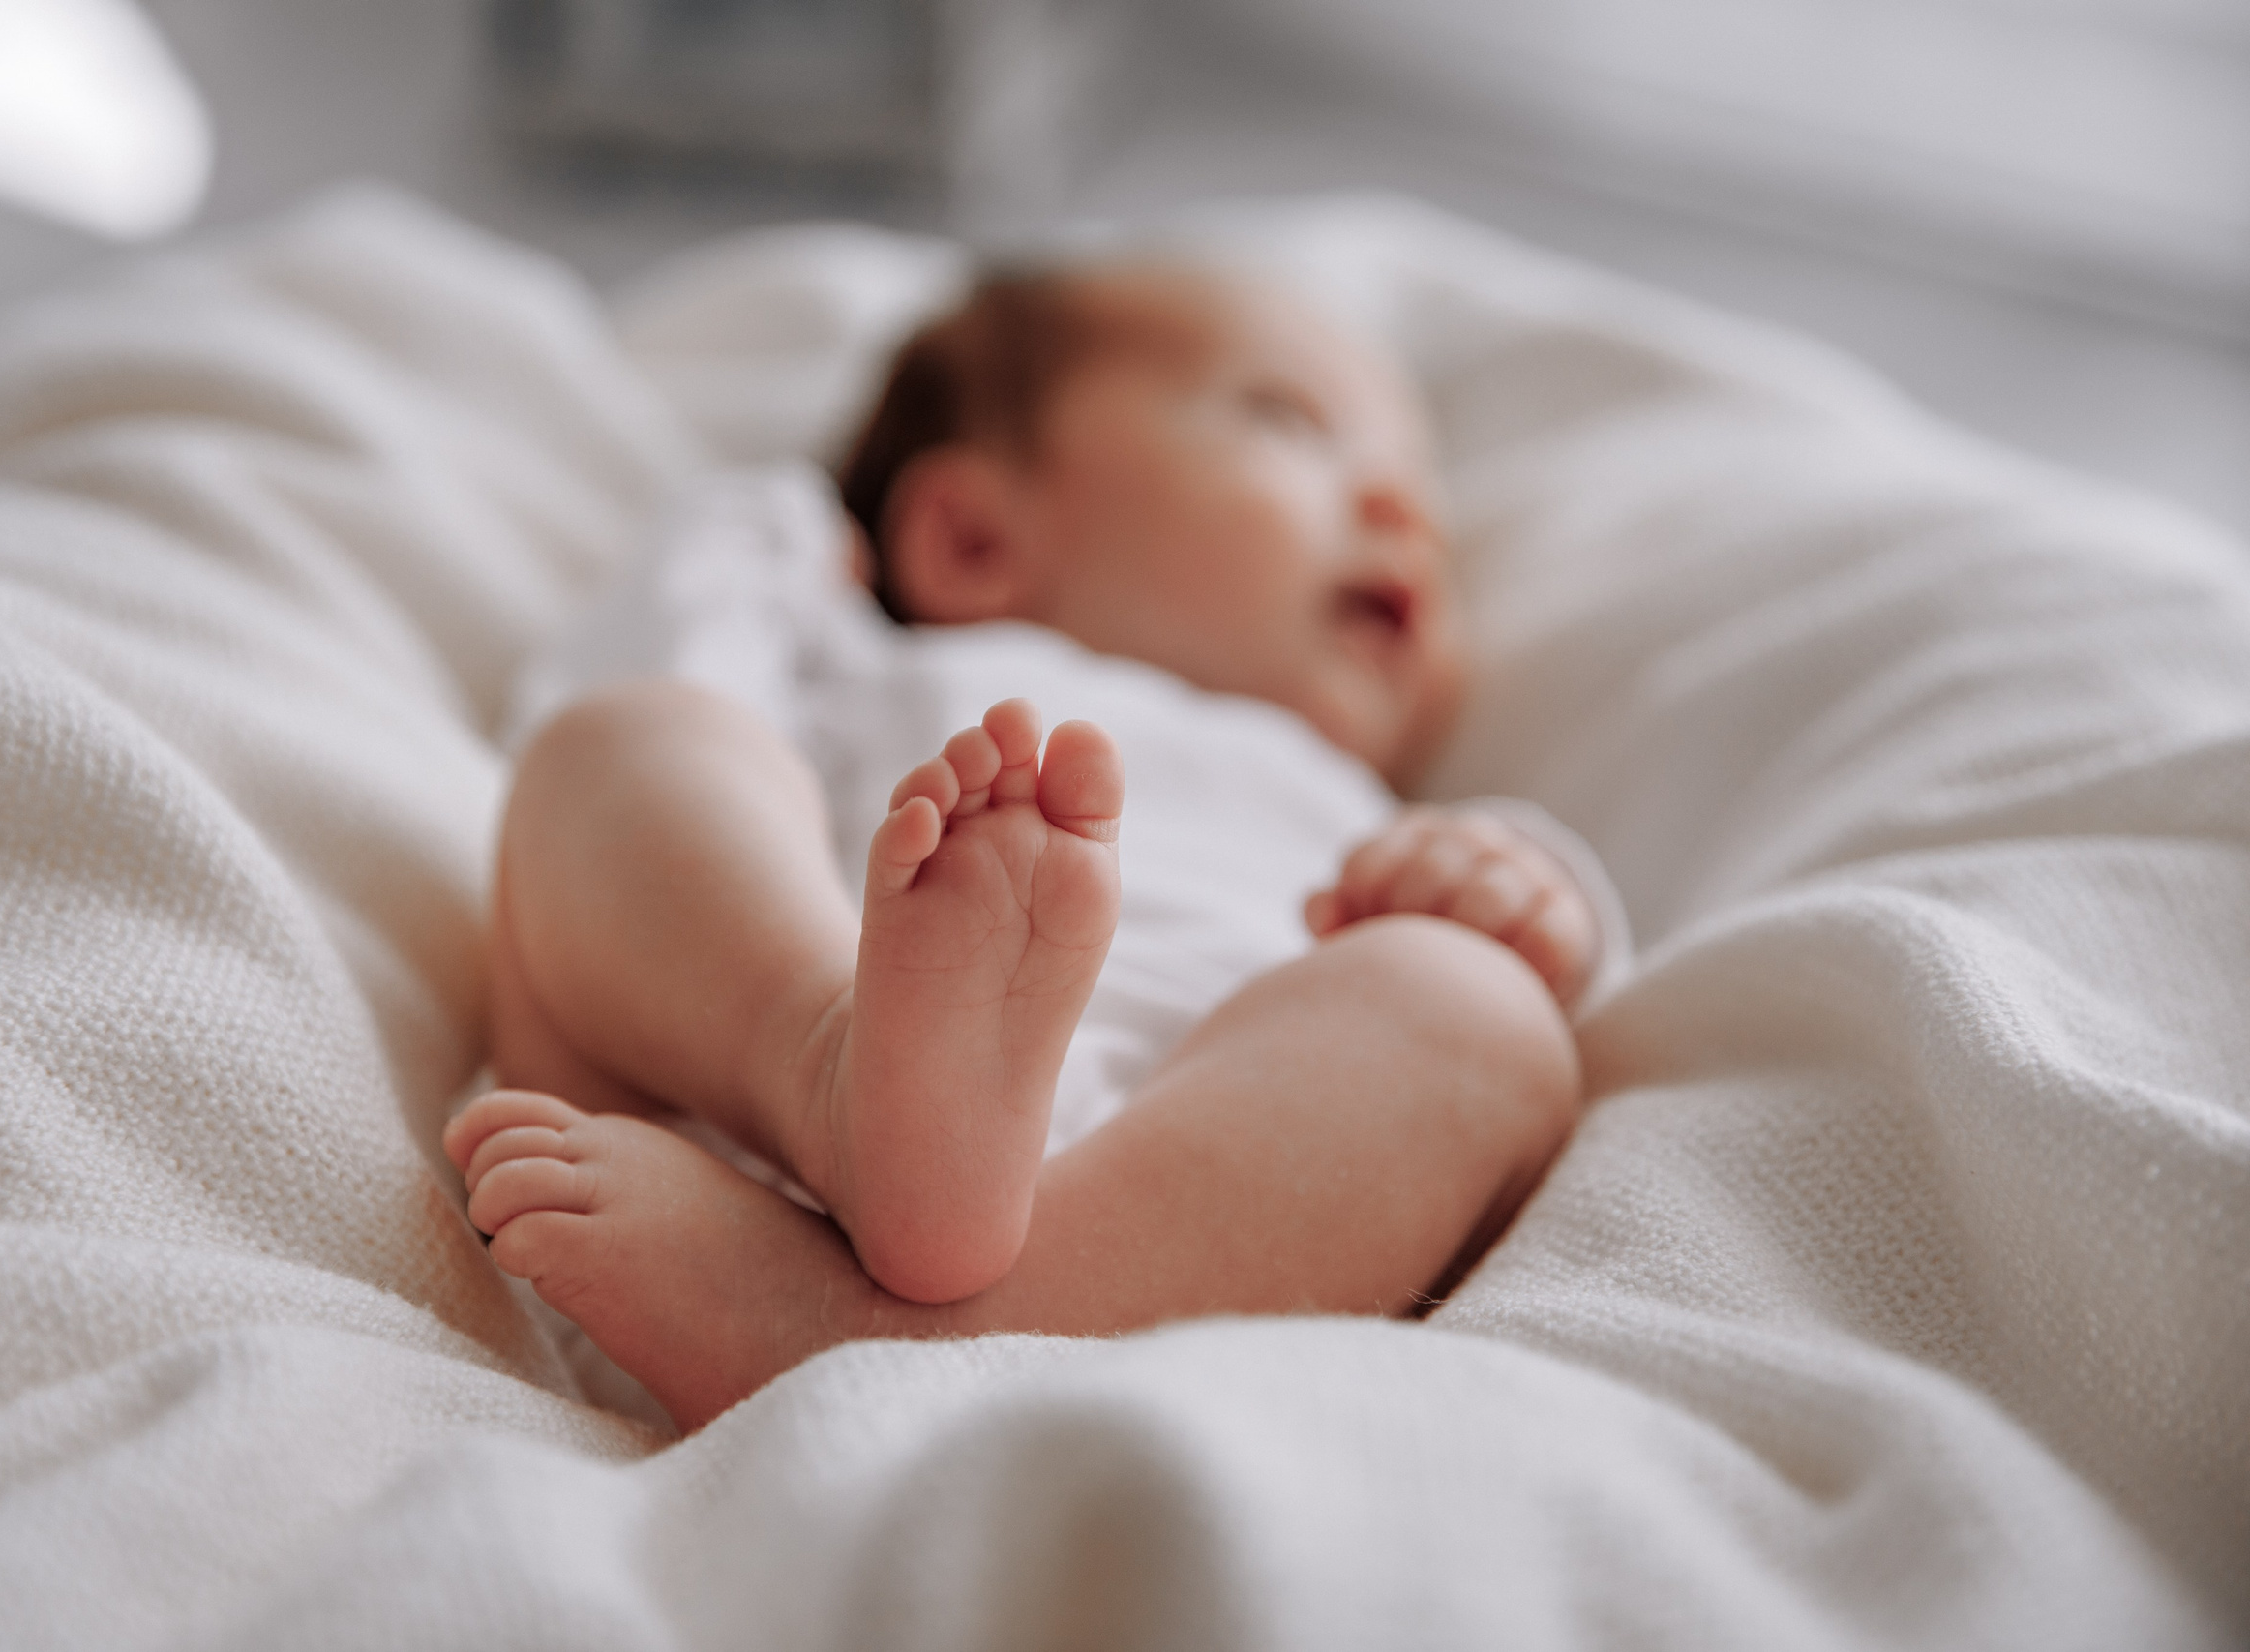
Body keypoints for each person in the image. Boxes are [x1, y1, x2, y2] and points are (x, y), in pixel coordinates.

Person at [445, 261, 1619, 1433]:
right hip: (734, 1140)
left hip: (1165, 1203)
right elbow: (646, 666)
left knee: (1486, 1015)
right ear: (964, 540)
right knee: (627, 742)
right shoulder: (847, 648)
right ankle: (827, 1069)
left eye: (1423, 500)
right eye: (1291, 425)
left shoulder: (1355, 809)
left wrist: (1513, 896)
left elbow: (1564, 987)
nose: (1400, 512)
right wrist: (766, 541)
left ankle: (865, 1333)